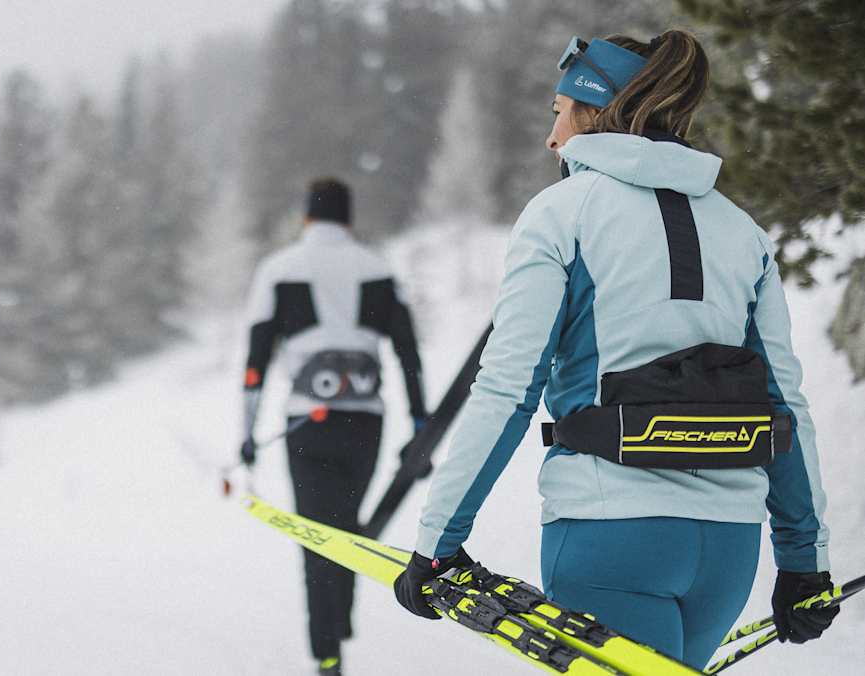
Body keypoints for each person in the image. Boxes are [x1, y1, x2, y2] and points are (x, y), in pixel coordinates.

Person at [391, 31, 840, 669]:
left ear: (595, 109)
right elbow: (782, 405)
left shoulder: (561, 214)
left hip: (609, 538)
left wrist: (438, 544)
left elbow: (508, 389)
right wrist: (804, 563)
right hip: (727, 552)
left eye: (559, 113)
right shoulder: (743, 232)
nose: (552, 138)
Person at [242, 177, 427, 675]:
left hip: (307, 423)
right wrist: (420, 424)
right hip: (366, 424)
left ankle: (327, 653)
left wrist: (247, 435)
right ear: (348, 218)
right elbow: (408, 354)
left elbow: (255, 363)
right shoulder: (377, 268)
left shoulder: (279, 269)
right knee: (344, 525)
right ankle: (338, 626)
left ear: (307, 216)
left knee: (316, 537)